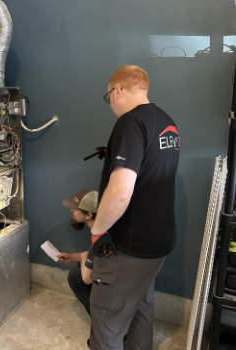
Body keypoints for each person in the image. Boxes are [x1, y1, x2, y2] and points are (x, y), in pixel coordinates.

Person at [87, 65, 180, 350]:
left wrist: (97, 233)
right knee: (140, 309)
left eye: (109, 96)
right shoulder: (166, 122)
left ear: (118, 90)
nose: (111, 103)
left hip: (129, 245)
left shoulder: (130, 123)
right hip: (158, 242)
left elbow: (120, 192)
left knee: (107, 321)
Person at [58, 189, 98, 314]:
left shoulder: (99, 235)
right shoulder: (98, 227)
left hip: (113, 282)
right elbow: (93, 255)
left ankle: (99, 320)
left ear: (88, 215)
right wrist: (73, 257)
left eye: (75, 209)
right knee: (78, 266)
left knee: (75, 276)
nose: (71, 211)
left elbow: (87, 279)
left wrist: (84, 256)